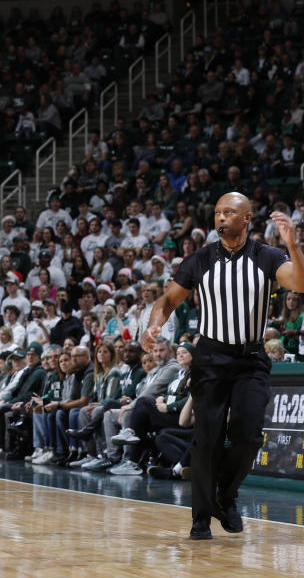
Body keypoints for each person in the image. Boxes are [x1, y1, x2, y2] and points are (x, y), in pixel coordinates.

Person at [142, 193, 304, 540]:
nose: (220, 218)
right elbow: (169, 298)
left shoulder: (267, 256)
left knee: (248, 437)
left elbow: (300, 283)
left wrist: (293, 245)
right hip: (211, 358)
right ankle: (200, 518)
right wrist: (154, 325)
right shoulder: (199, 259)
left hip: (250, 358)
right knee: (207, 439)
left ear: (246, 218)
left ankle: (225, 496)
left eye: (229, 212)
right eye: (217, 212)